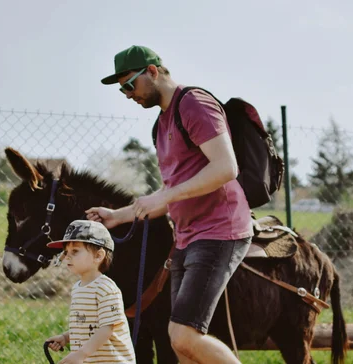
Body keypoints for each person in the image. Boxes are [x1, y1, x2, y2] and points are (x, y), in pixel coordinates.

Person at [86, 45, 253, 363]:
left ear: (152, 71)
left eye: (128, 84)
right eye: (121, 89)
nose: (126, 94)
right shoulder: (161, 124)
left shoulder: (193, 104)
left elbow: (225, 167)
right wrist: (118, 216)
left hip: (220, 231)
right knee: (180, 346)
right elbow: (172, 191)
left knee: (184, 335)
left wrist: (164, 195)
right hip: (187, 237)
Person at [44, 220, 136, 364]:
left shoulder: (106, 288)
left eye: (75, 251)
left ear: (98, 256)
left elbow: (106, 329)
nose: (67, 256)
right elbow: (87, 326)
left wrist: (80, 355)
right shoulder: (77, 288)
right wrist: (66, 338)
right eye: (66, 251)